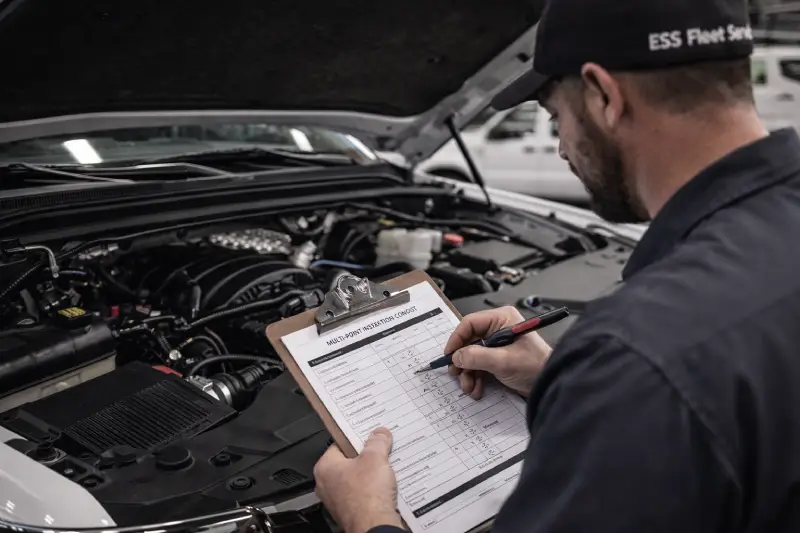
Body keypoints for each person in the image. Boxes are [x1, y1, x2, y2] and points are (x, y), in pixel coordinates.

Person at [312, 0, 800, 530]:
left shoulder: (638, 356)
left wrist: (368, 517)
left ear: (604, 96)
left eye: (554, 115)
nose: (563, 144)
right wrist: (561, 383)